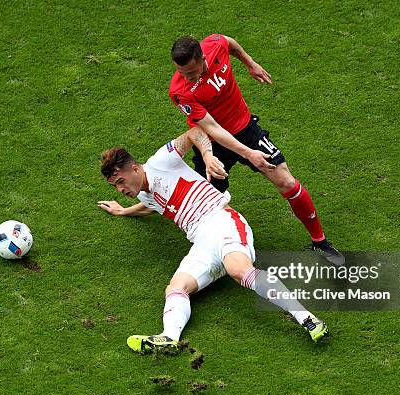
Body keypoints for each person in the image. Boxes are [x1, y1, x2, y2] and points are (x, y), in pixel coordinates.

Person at [98, 126, 328, 354]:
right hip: (201, 243)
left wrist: (207, 156)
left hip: (222, 221)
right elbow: (152, 206)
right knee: (176, 288)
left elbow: (194, 132)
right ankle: (169, 337)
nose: (120, 189)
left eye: (120, 181)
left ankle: (308, 319)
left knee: (240, 271)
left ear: (135, 169)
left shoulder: (161, 161)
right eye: (114, 186)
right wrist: (123, 211)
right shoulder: (143, 194)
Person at [169, 34, 344, 266]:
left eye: (191, 72)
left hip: (247, 130)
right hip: (214, 144)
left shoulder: (214, 46)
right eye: (182, 73)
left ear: (202, 58)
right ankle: (215, 252)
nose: (187, 78)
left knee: (287, 182)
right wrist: (248, 153)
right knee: (204, 204)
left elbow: (228, 41)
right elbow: (212, 127)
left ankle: (319, 242)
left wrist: (250, 63)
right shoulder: (180, 90)